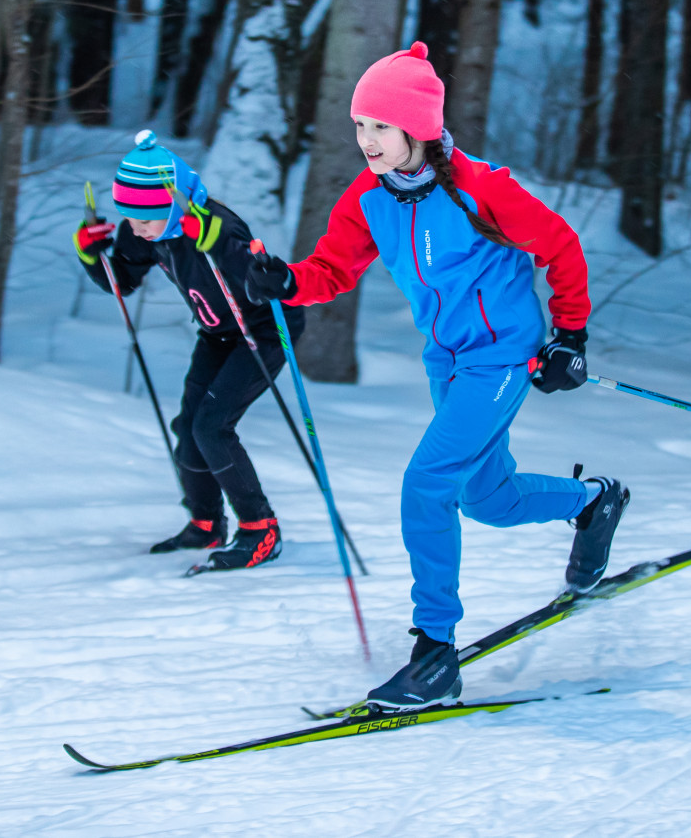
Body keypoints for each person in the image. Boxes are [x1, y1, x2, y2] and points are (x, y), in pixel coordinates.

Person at [243, 42, 628, 709]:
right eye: (361, 125)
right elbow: (332, 270)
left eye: (381, 127)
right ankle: (593, 502)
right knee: (488, 500)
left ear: (417, 128)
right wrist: (288, 282)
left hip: (503, 357)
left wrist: (570, 335)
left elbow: (559, 245)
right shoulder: (369, 197)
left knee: (427, 483)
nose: (367, 140)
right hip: (444, 358)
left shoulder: (481, 188)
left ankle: (434, 652)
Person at [76, 131, 305, 572]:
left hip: (262, 330)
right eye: (129, 217)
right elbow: (120, 282)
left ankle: (261, 530)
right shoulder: (143, 230)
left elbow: (259, 284)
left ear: (173, 206)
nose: (137, 229)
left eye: (145, 218)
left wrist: (219, 244)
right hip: (218, 333)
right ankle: (205, 524)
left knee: (213, 426)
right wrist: (94, 256)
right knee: (189, 425)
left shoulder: (217, 225)